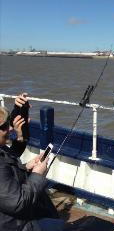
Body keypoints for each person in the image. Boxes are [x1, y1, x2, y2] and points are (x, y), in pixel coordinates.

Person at [0, 93, 63, 231]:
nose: (10, 128)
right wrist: (37, 175)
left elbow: (7, 162)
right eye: (5, 126)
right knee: (59, 226)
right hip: (14, 225)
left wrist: (26, 167)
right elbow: (18, 202)